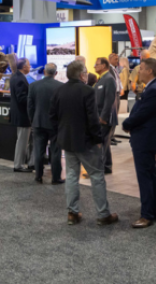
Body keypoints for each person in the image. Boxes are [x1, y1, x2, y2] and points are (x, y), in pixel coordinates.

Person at [49, 60, 118, 226]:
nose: (87, 75)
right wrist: (98, 139)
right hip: (87, 142)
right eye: (86, 72)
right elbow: (93, 119)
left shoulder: (59, 90)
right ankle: (103, 214)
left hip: (67, 141)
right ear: (81, 75)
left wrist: (60, 135)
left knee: (72, 175)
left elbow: (52, 117)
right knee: (97, 176)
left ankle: (72, 213)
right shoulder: (87, 91)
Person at [122, 58, 156, 229]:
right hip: (149, 137)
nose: (138, 71)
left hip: (146, 138)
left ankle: (147, 215)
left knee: (145, 178)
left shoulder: (154, 89)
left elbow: (143, 113)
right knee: (151, 175)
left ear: (149, 71)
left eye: (141, 68)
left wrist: (127, 124)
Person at [27, 63, 63, 184]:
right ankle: (56, 177)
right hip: (56, 124)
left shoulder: (33, 86)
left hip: (38, 122)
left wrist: (33, 120)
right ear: (56, 73)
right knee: (56, 151)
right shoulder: (61, 87)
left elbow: (30, 106)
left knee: (38, 150)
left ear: (44, 72)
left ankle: (38, 176)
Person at [94, 57, 117, 174]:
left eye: (96, 64)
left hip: (105, 118)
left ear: (103, 66)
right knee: (104, 142)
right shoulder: (101, 79)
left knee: (102, 142)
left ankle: (103, 167)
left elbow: (109, 100)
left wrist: (103, 117)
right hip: (101, 116)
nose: (94, 66)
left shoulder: (109, 79)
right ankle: (106, 166)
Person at [10, 58, 33, 172]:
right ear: (24, 67)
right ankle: (18, 165)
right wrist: (33, 100)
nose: (30, 67)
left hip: (19, 114)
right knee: (22, 141)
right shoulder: (20, 79)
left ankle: (24, 163)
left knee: (23, 140)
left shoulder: (15, 76)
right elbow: (22, 98)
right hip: (22, 115)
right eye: (29, 65)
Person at [108, 53, 123, 146]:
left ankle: (112, 136)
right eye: (115, 59)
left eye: (117, 59)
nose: (117, 61)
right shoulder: (109, 69)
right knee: (112, 116)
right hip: (113, 95)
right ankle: (109, 138)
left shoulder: (114, 69)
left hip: (117, 94)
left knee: (115, 116)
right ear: (110, 59)